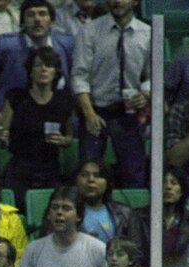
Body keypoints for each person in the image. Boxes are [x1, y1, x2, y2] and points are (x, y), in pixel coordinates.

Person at [71, 0, 150, 188]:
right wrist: (89, 114)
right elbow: (79, 76)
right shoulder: (90, 31)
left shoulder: (147, 33)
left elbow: (151, 76)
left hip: (128, 113)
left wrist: (145, 93)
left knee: (134, 175)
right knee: (88, 173)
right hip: (96, 111)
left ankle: (133, 215)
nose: (117, 1)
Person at [0, 0, 74, 127]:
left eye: (42, 14)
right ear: (22, 23)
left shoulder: (66, 44)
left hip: (54, 117)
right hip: (13, 116)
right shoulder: (6, 44)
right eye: (30, 15)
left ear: (51, 22)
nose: (37, 19)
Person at [0, 45, 74, 211]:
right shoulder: (16, 97)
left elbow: (69, 137)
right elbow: (2, 136)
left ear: (55, 72)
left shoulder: (64, 101)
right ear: (30, 71)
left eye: (49, 65)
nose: (43, 69)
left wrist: (63, 140)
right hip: (19, 170)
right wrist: (2, 137)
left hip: (50, 170)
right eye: (38, 65)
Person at [18, 185, 108, 267]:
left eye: (66, 208)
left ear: (78, 216)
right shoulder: (33, 250)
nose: (59, 212)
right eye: (54, 207)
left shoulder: (97, 249)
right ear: (49, 214)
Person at [129, 164, 189, 267]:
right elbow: (134, 254)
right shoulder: (139, 217)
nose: (168, 187)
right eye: (163, 182)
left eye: (174, 183)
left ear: (182, 191)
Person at [74, 158, 133, 244]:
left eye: (97, 175)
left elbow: (136, 251)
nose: (91, 180)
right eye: (85, 175)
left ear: (107, 183)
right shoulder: (62, 210)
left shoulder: (125, 213)